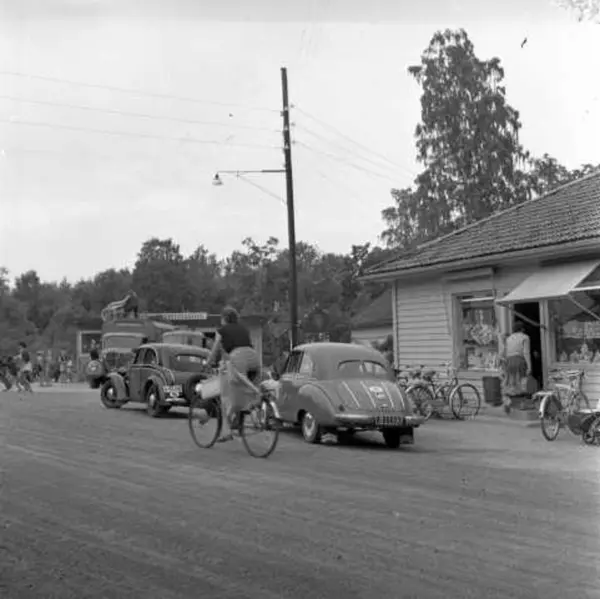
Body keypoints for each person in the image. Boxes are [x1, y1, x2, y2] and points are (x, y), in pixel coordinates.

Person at [208, 306, 260, 443]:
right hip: (254, 359)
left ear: (224, 319)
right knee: (242, 391)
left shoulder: (221, 331)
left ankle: (227, 432)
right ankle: (239, 420)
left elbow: (215, 350)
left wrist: (208, 362)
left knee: (225, 398)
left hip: (238, 358)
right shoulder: (244, 329)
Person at [502, 321, 531, 413]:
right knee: (522, 382)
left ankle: (508, 402)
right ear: (522, 329)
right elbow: (526, 352)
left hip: (509, 361)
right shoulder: (525, 337)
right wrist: (529, 366)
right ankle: (522, 404)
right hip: (519, 361)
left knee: (511, 383)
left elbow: (505, 352)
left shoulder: (509, 338)